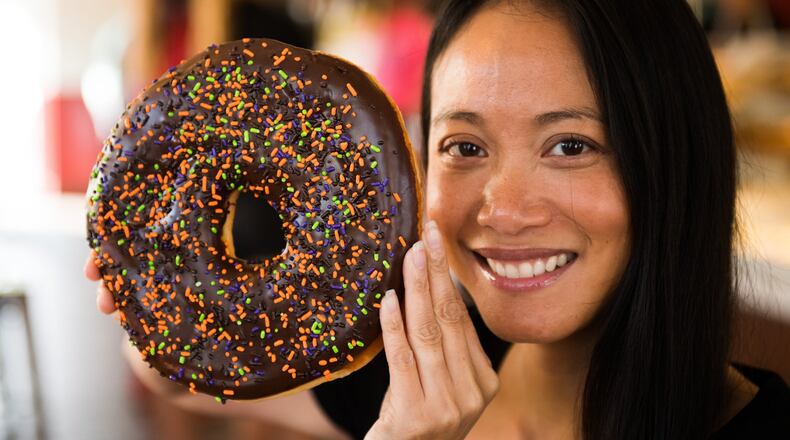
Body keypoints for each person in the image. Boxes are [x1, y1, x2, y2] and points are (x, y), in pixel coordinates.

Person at [84, 0, 790, 438]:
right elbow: (184, 385)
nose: (504, 210)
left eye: (570, 146)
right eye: (466, 146)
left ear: (675, 158)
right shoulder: (426, 366)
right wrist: (168, 309)